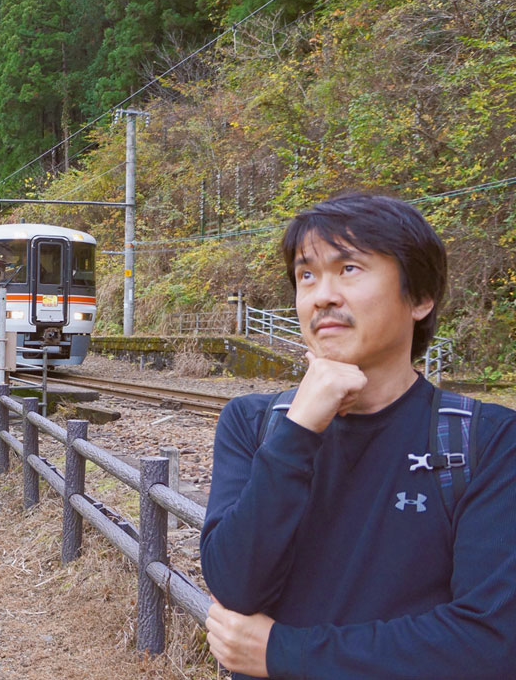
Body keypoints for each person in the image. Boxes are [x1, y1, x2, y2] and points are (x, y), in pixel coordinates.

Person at [199, 193, 516, 679]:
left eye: (349, 269)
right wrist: (299, 428)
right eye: (307, 274)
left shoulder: (486, 441)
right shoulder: (252, 423)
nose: (322, 295)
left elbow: (488, 642)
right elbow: (236, 589)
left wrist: (283, 652)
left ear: (420, 297)